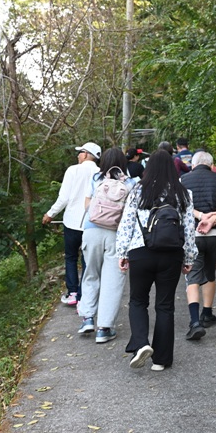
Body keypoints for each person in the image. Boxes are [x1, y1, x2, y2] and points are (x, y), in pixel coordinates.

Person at [116, 150, 197, 371]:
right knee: (165, 306)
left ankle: (141, 343)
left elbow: (127, 223)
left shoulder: (138, 190)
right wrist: (189, 257)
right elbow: (189, 229)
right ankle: (161, 360)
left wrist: (122, 253)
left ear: (149, 167)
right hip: (172, 254)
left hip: (140, 251)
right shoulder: (183, 193)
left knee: (137, 300)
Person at [78, 147, 136, 343]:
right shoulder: (130, 183)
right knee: (113, 280)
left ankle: (87, 318)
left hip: (91, 230)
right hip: (115, 234)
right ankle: (104, 328)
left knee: (90, 274)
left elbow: (87, 206)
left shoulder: (96, 179)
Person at [180, 151, 216, 340]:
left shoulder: (183, 180)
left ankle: (195, 322)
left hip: (193, 234)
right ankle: (207, 314)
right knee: (210, 272)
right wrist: (213, 219)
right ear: (211, 165)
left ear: (193, 165)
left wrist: (201, 217)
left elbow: (183, 206)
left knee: (193, 276)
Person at [42, 142, 101, 306]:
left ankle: (73, 293)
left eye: (80, 152)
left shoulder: (73, 170)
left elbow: (64, 198)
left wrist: (50, 214)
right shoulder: (100, 173)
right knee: (87, 259)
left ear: (86, 154)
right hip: (92, 223)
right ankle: (84, 296)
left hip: (72, 222)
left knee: (71, 257)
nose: (78, 155)